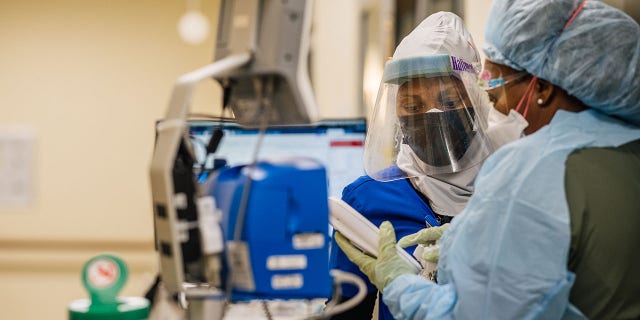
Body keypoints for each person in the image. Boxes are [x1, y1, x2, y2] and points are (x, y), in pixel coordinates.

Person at [336, 0, 640, 319]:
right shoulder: (624, 151)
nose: (498, 102)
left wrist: (401, 285)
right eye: (412, 105)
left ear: (544, 88)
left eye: (498, 86)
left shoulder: (529, 170)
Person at [328, 12, 524, 319]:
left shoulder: (518, 187)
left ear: (476, 99)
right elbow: (343, 311)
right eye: (412, 106)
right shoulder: (368, 200)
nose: (431, 115)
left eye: (448, 102)